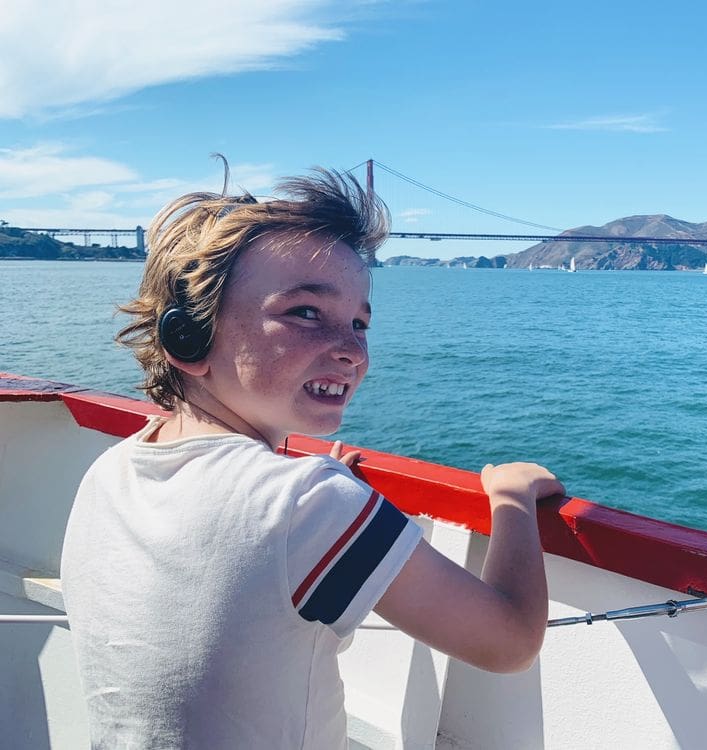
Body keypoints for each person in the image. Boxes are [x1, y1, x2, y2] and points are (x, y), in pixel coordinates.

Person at [60, 161, 564, 748]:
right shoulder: (308, 503)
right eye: (305, 313)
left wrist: (307, 494)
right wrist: (511, 498)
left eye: (359, 323)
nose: (351, 350)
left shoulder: (109, 471)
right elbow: (510, 643)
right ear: (189, 340)